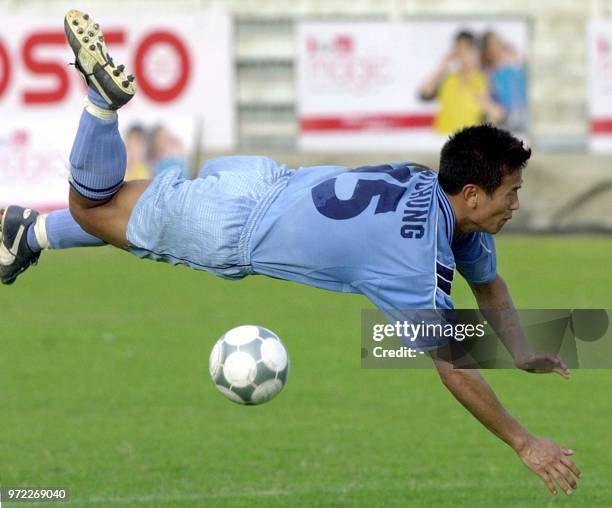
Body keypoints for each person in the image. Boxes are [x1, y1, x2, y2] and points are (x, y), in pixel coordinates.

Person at [0, 10, 581, 496]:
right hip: (234, 228)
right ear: (474, 195)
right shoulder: (415, 261)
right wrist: (524, 441)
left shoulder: (436, 191)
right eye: (513, 193)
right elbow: (455, 364)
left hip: (258, 180)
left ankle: (27, 236)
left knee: (119, 210)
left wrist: (523, 349)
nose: (518, 204)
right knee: (92, 206)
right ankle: (100, 104)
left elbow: (488, 286)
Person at [419, 30, 504, 134]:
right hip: (442, 138)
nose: (463, 56)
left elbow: (500, 115)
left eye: (467, 50)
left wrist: (486, 104)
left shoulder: (485, 79)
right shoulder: (447, 78)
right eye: (459, 50)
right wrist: (443, 65)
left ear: (475, 52)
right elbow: (424, 93)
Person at [480, 30, 528, 132]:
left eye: (499, 40)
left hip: (526, 121)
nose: (499, 45)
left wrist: (516, 54)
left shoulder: (514, 69)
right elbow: (494, 112)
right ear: (487, 52)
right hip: (509, 126)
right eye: (494, 43)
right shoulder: (487, 76)